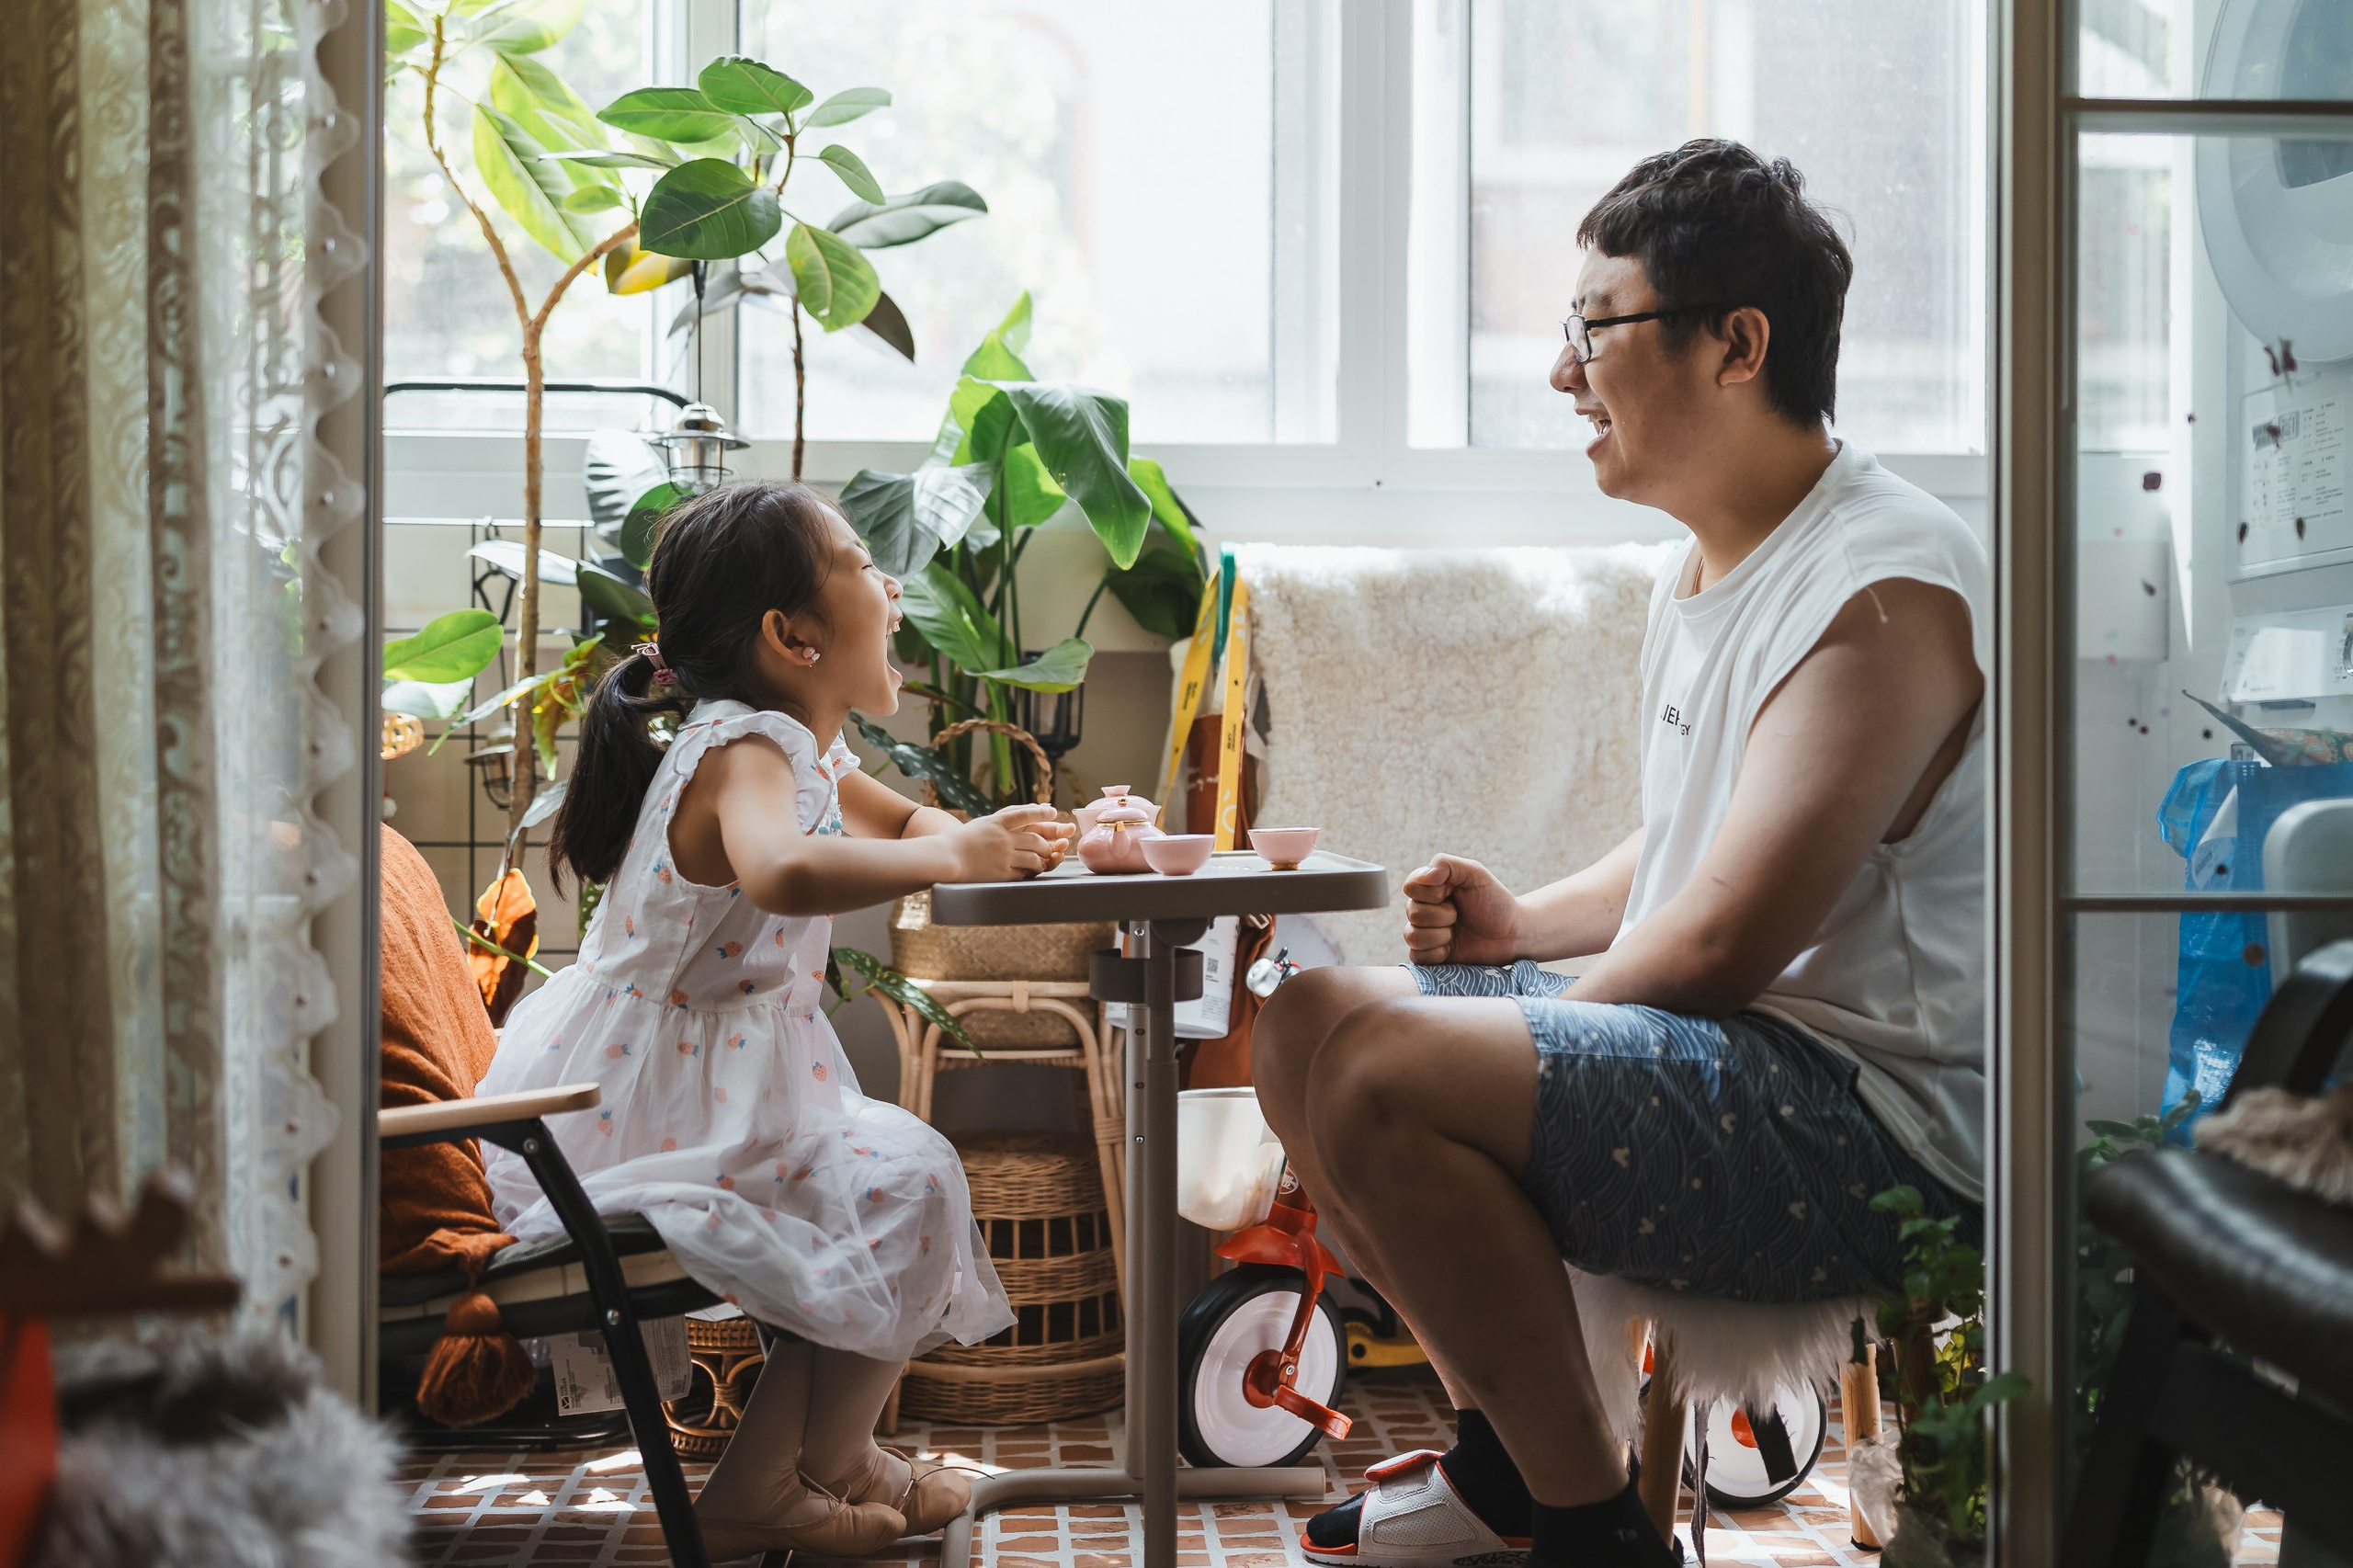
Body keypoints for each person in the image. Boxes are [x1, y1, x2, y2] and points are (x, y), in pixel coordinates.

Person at [1252, 140, 1988, 1568]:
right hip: (1746, 1072)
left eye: (1596, 326)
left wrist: (1512, 1047)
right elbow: (1700, 833)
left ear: (1737, 345)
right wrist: (1527, 927)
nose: (1562, 372)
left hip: (1869, 1123)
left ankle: (1589, 1531)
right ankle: (1510, 1468)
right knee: (1300, 1026)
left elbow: (1720, 942)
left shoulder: (1883, 583)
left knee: (1386, 1062)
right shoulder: (1719, 559)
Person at [475, 481, 1073, 1560]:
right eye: (858, 564)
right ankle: (796, 1471)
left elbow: (901, 815)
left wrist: (994, 834)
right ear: (791, 636)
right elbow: (784, 868)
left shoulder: (795, 745)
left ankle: (822, 1461)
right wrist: (948, 859)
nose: (888, 584)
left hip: (713, 1087)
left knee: (892, 1184)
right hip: (651, 1108)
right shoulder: (748, 748)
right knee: (898, 1186)